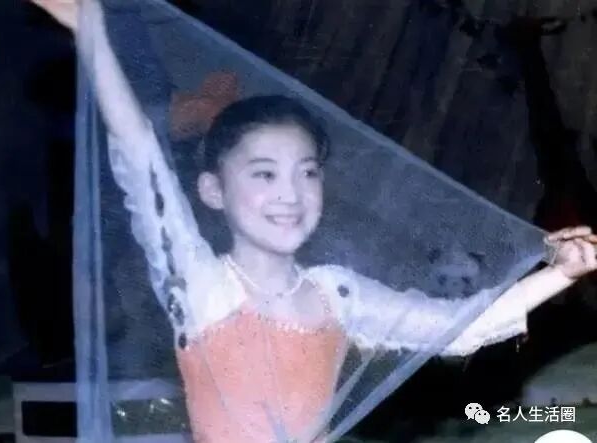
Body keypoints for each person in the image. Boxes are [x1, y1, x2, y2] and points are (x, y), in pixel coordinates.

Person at [30, 1, 597, 441]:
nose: (291, 194)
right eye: (264, 174)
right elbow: (141, 159)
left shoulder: (338, 293)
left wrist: (561, 273)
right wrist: (92, 33)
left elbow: (461, 327)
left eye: (307, 172)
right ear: (212, 190)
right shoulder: (201, 285)